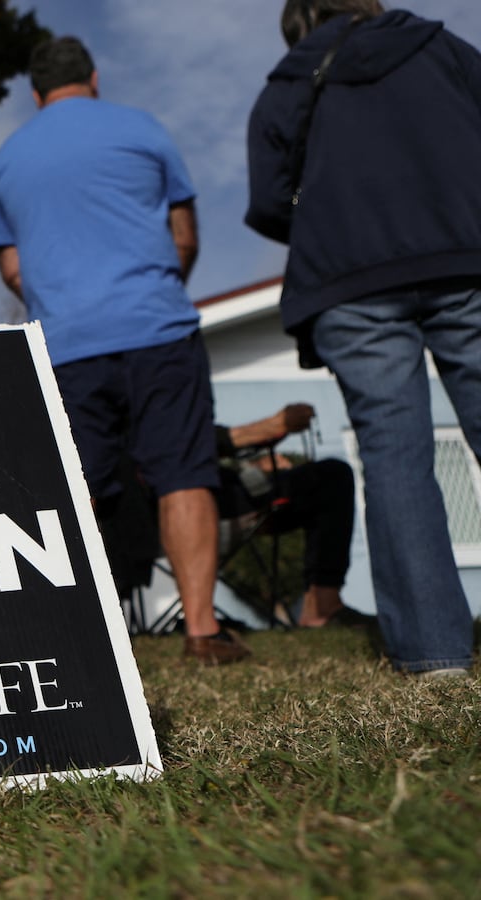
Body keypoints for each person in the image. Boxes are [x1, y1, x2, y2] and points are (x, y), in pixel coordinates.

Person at [0, 37, 246, 665]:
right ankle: (203, 632)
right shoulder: (142, 128)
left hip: (69, 342)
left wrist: (64, 296)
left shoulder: (11, 157)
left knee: (80, 489)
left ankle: (85, 642)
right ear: (94, 77)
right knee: (183, 472)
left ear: (35, 92)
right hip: (157, 329)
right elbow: (183, 236)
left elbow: (13, 266)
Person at [245, 0, 481, 678]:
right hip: (465, 255)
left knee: (393, 454)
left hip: (349, 282)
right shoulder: (441, 49)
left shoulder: (288, 82)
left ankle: (435, 657)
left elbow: (267, 200)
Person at [216, 403, 368, 628]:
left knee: (330, 476)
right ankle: (321, 608)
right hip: (191, 504)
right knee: (332, 479)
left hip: (222, 490)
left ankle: (322, 604)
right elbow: (179, 448)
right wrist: (267, 428)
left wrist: (253, 464)